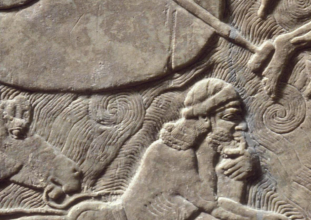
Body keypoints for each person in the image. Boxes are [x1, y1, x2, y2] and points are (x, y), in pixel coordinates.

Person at [68, 78, 289, 220]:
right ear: (205, 117)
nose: (241, 126)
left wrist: (260, 213)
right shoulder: (168, 154)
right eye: (229, 117)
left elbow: (217, 201)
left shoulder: (208, 151)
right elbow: (213, 209)